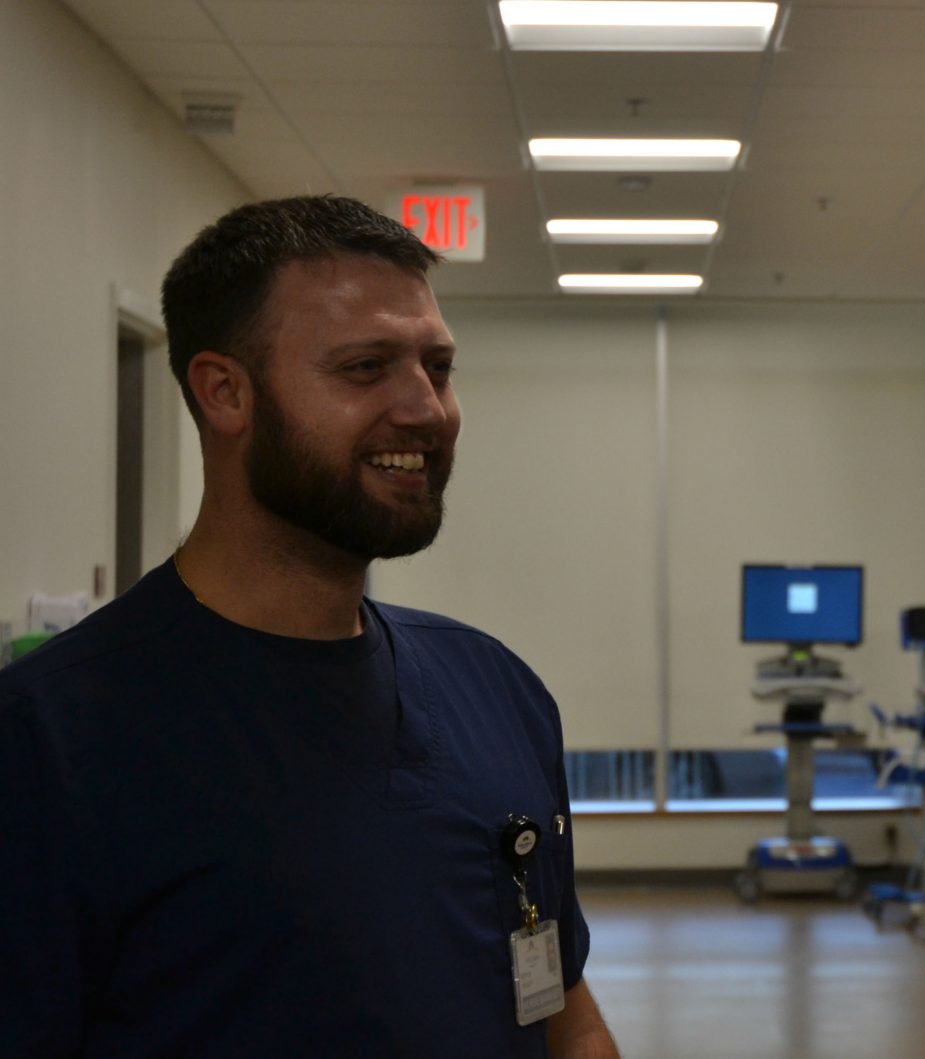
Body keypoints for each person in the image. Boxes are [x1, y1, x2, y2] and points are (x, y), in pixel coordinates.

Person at [0, 196, 619, 1058]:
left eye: (436, 367)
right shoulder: (50, 739)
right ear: (225, 392)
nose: (426, 409)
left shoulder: (498, 691)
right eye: (366, 368)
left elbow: (564, 1014)